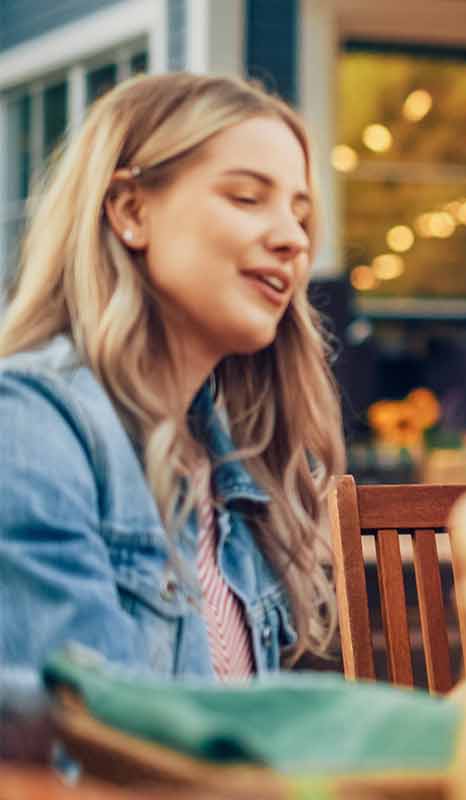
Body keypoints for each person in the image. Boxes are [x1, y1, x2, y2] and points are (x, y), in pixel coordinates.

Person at [0, 74, 346, 697]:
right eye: (246, 198)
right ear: (132, 211)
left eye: (300, 213)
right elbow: (89, 754)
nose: (294, 239)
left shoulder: (233, 463)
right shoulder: (31, 425)